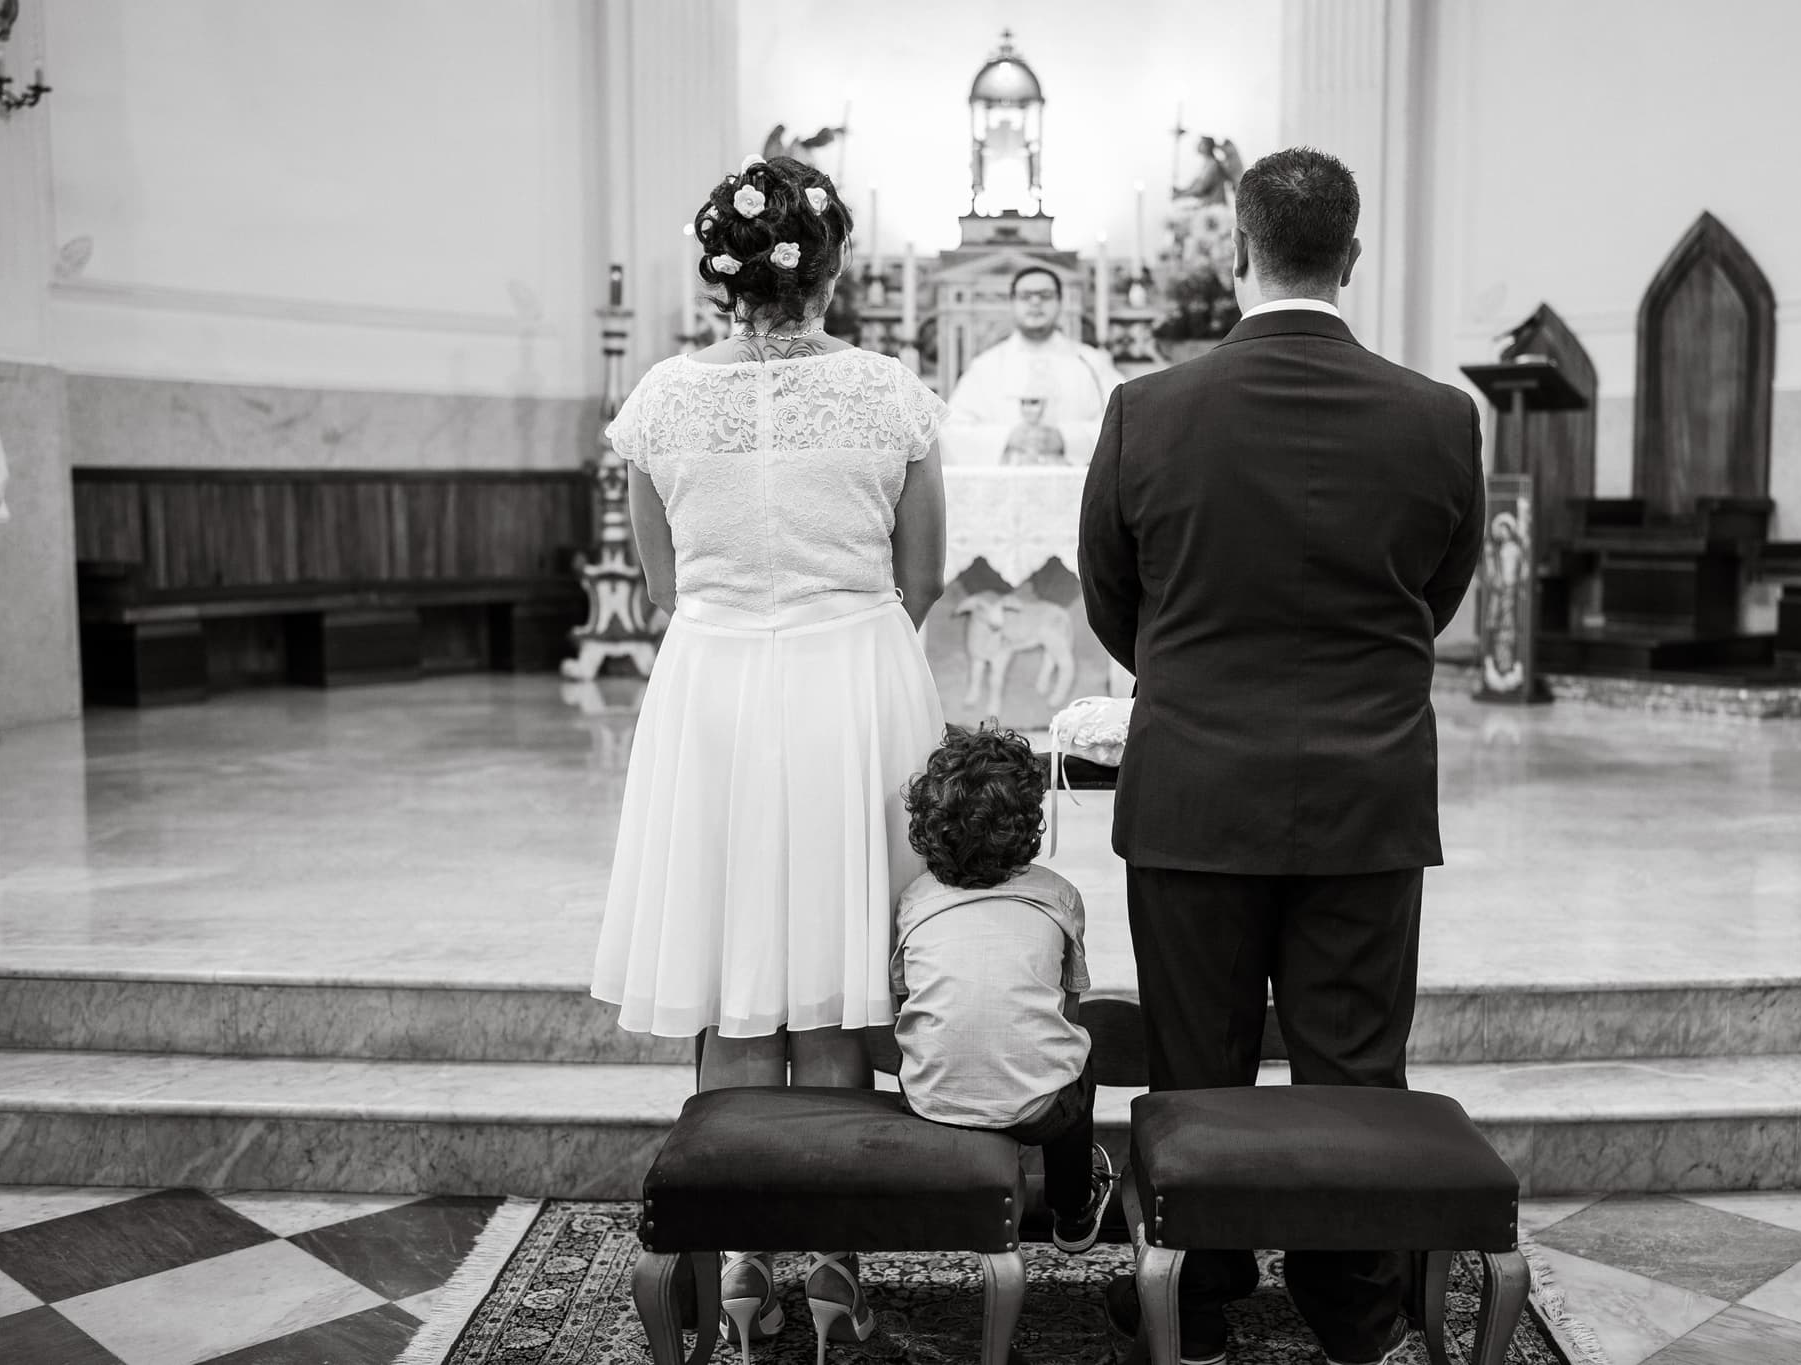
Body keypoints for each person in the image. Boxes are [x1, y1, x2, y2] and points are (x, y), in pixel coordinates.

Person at [1078, 146, 1484, 1365]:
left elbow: (1113, 599)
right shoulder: (1437, 416)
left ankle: (1196, 1294)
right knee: (1354, 1061)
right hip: (1365, 785)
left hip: (1194, 785)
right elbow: (1434, 596)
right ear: (1350, 257)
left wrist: (1193, 680)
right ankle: (1352, 1304)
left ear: (1234, 255)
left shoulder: (1148, 411)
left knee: (1196, 1059)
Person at [588, 153, 949, 1364]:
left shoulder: (660, 400)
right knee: (838, 974)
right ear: (832, 267)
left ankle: (741, 1271)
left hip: (718, 686)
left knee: (735, 968)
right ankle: (837, 1275)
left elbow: (660, 584)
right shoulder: (887, 393)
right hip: (856, 680)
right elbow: (921, 576)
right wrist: (838, 627)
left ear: (722, 275)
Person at [893, 724, 1117, 1252]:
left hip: (932, 1098)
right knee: (1076, 1063)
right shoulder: (1059, 896)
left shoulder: (914, 900)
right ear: (1028, 819)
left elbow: (908, 1003)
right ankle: (1073, 1209)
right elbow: (1068, 1010)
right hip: (1039, 1111)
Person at [944, 266, 1124, 466]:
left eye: (1045, 295)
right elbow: (952, 431)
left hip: (1077, 481)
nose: (1035, 302)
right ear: (1012, 303)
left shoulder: (1091, 363)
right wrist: (1007, 437)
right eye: (1025, 296)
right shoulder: (985, 366)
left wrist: (1068, 439)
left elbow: (1123, 423)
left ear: (1060, 302)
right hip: (1004, 481)